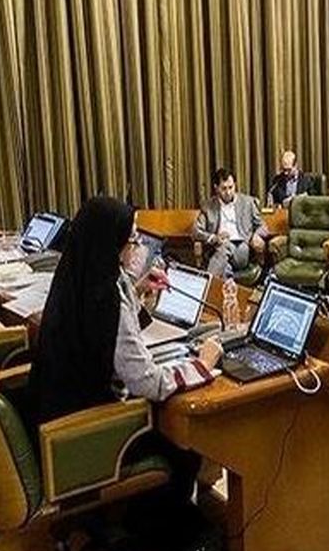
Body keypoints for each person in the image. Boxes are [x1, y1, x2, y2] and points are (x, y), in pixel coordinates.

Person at [27, 197, 222, 523]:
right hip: (85, 436)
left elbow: (103, 335)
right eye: (133, 239)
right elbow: (148, 382)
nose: (138, 246)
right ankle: (166, 533)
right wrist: (203, 363)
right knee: (183, 444)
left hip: (54, 417)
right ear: (112, 243)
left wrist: (138, 289)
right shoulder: (107, 299)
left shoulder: (79, 273)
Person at [193, 167, 267, 278]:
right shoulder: (208, 206)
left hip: (242, 248)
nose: (228, 192)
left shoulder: (248, 202)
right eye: (224, 188)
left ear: (235, 185)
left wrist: (256, 235)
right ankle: (224, 285)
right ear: (216, 188)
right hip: (217, 249)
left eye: (231, 187)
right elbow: (196, 231)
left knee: (225, 247)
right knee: (225, 268)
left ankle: (206, 281)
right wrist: (214, 238)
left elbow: (263, 226)